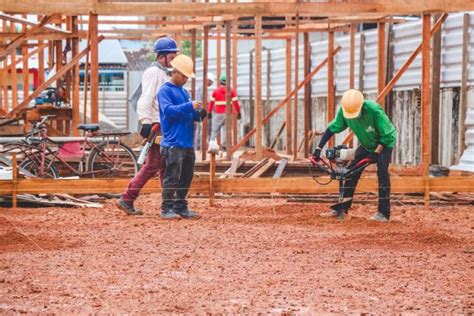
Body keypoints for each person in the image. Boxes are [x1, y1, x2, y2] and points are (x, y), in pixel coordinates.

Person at [311, 89, 397, 222]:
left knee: (382, 173)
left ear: (361, 105)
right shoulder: (345, 110)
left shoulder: (374, 110)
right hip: (366, 143)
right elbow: (332, 128)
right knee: (351, 172)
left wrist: (376, 153)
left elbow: (388, 135)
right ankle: (342, 208)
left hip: (384, 144)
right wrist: (318, 149)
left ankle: (383, 213)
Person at [117, 37, 179, 216]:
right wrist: (145, 121)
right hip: (155, 124)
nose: (174, 60)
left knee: (164, 164)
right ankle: (127, 197)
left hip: (163, 124)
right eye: (172, 56)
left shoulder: (164, 73)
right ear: (162, 56)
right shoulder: (154, 72)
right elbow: (146, 98)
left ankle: (169, 202)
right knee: (153, 164)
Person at [158, 54, 206, 219]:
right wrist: (189, 106)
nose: (186, 79)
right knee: (172, 176)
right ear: (175, 72)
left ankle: (180, 206)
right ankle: (167, 208)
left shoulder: (185, 92)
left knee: (186, 177)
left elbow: (191, 115)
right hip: (173, 143)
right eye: (184, 75)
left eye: (188, 76)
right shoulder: (164, 91)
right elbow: (169, 111)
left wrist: (199, 113)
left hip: (186, 143)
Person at [207, 74, 241, 149]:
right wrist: (239, 112)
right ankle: (225, 146)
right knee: (227, 131)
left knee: (215, 130)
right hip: (228, 114)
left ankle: (212, 146)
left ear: (220, 81)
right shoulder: (231, 91)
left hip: (218, 114)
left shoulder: (215, 91)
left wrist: (209, 112)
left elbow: (211, 103)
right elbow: (236, 103)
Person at [194, 73, 215, 150]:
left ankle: (199, 146)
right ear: (208, 80)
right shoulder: (202, 88)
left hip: (201, 111)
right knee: (201, 130)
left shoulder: (203, 88)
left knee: (200, 130)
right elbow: (200, 101)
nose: (211, 84)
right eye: (211, 82)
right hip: (201, 111)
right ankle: (199, 146)